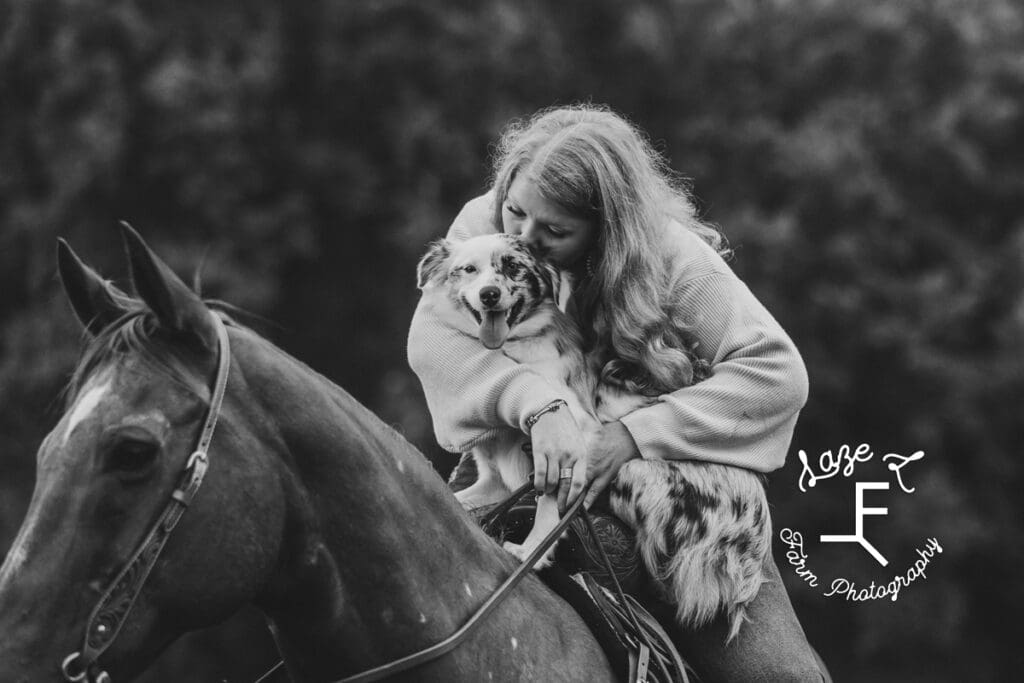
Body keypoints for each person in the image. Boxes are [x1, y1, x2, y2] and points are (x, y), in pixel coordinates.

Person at [407, 104, 824, 681]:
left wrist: (633, 435)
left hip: (671, 495)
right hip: (510, 460)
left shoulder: (675, 259)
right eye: (517, 211)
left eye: (554, 231)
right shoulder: (483, 225)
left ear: (608, 229)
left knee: (782, 678)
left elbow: (778, 373)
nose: (523, 239)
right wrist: (540, 405)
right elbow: (432, 339)